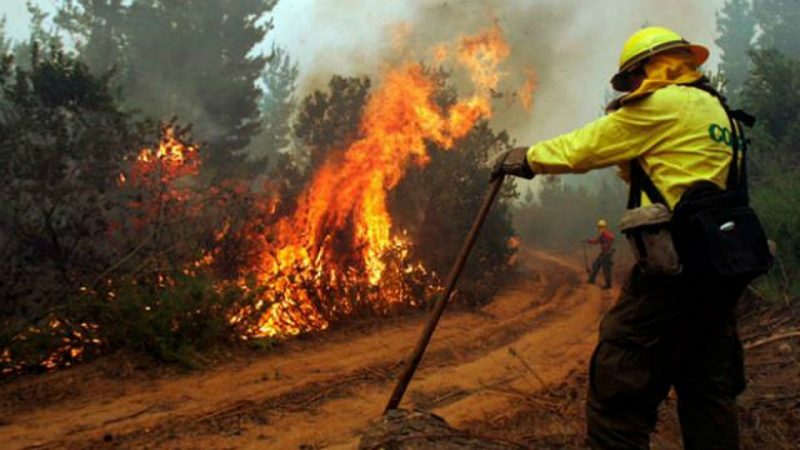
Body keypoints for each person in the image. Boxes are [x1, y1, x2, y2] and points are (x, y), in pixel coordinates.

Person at [492, 26, 756, 449]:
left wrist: (527, 159)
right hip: (722, 274)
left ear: (648, 69)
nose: (631, 88)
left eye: (631, 78)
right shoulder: (719, 113)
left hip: (673, 276)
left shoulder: (662, 104)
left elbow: (585, 147)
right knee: (708, 391)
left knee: (619, 387)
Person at [585, 219, 615, 289]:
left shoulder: (605, 233)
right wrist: (589, 241)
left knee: (606, 269)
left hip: (607, 253)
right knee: (596, 264)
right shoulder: (603, 234)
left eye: (600, 227)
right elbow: (596, 241)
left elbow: (612, 238)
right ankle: (591, 279)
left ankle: (608, 284)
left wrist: (606, 245)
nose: (600, 228)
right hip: (605, 253)